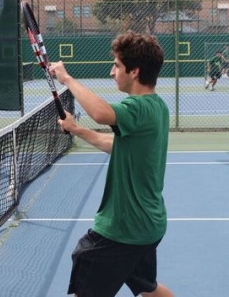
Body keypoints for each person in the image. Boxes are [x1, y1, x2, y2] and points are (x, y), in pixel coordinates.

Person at [48, 31, 174, 297]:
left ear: (135, 71)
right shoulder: (157, 107)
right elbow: (117, 145)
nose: (111, 71)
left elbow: (102, 113)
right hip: (148, 225)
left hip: (124, 229)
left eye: (116, 65)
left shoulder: (138, 107)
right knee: (146, 287)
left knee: (85, 255)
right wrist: (77, 130)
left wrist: (67, 79)